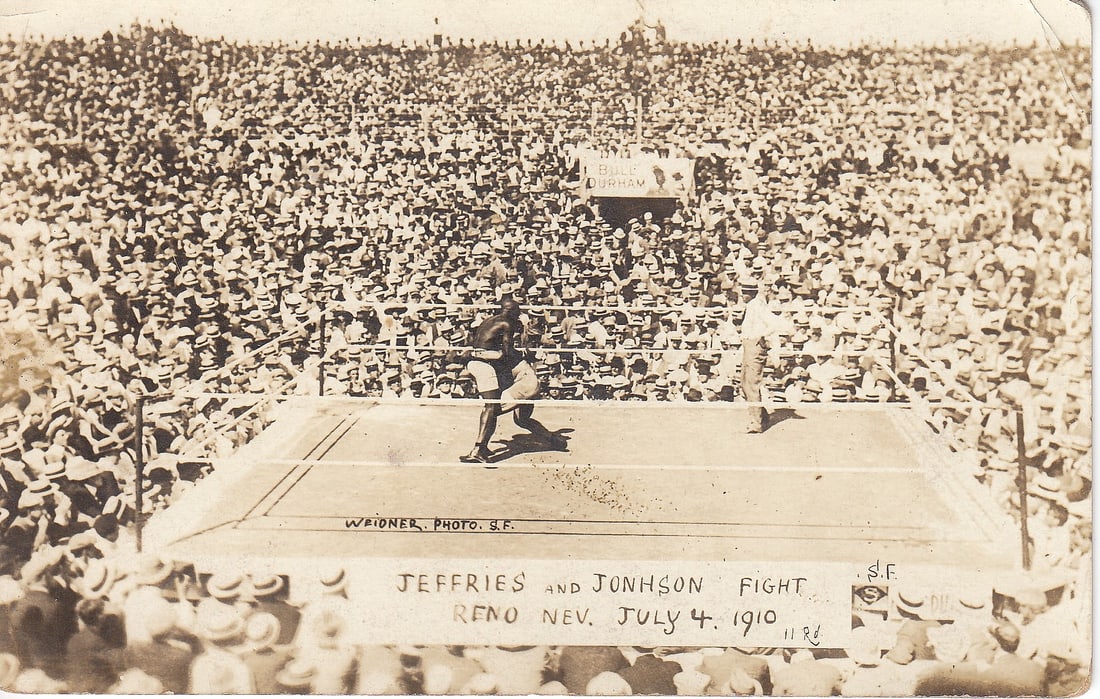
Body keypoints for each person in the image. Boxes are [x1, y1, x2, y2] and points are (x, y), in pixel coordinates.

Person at [460, 298, 560, 463]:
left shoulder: (490, 323)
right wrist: (479, 355)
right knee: (510, 415)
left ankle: (480, 448)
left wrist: (475, 354)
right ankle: (554, 440)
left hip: (525, 382)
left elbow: (502, 354)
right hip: (521, 380)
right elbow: (504, 353)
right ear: (512, 312)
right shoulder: (507, 325)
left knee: (495, 410)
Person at [739, 281, 789, 433]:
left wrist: (761, 336)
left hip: (755, 346)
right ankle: (763, 417)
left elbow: (774, 323)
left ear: (751, 293)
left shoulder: (757, 305)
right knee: (745, 384)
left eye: (745, 292)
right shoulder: (753, 305)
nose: (742, 295)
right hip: (749, 345)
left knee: (752, 384)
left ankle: (756, 423)